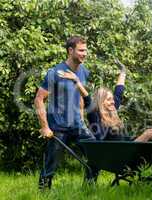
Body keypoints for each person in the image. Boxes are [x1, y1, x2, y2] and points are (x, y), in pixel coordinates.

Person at [59, 60, 152, 145]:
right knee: (150, 132)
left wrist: (123, 72)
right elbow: (87, 99)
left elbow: (119, 91)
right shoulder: (95, 116)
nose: (112, 101)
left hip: (129, 146)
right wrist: (77, 82)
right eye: (108, 99)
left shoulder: (112, 111)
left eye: (112, 99)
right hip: (123, 152)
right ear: (101, 102)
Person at [34, 36, 96, 190]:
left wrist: (81, 119)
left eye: (86, 50)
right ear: (70, 50)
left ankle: (88, 189)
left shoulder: (83, 72)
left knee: (96, 154)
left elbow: (80, 97)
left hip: (77, 125)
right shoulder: (55, 72)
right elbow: (39, 99)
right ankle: (42, 192)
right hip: (58, 127)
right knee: (51, 165)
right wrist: (44, 127)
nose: (85, 53)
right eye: (81, 50)